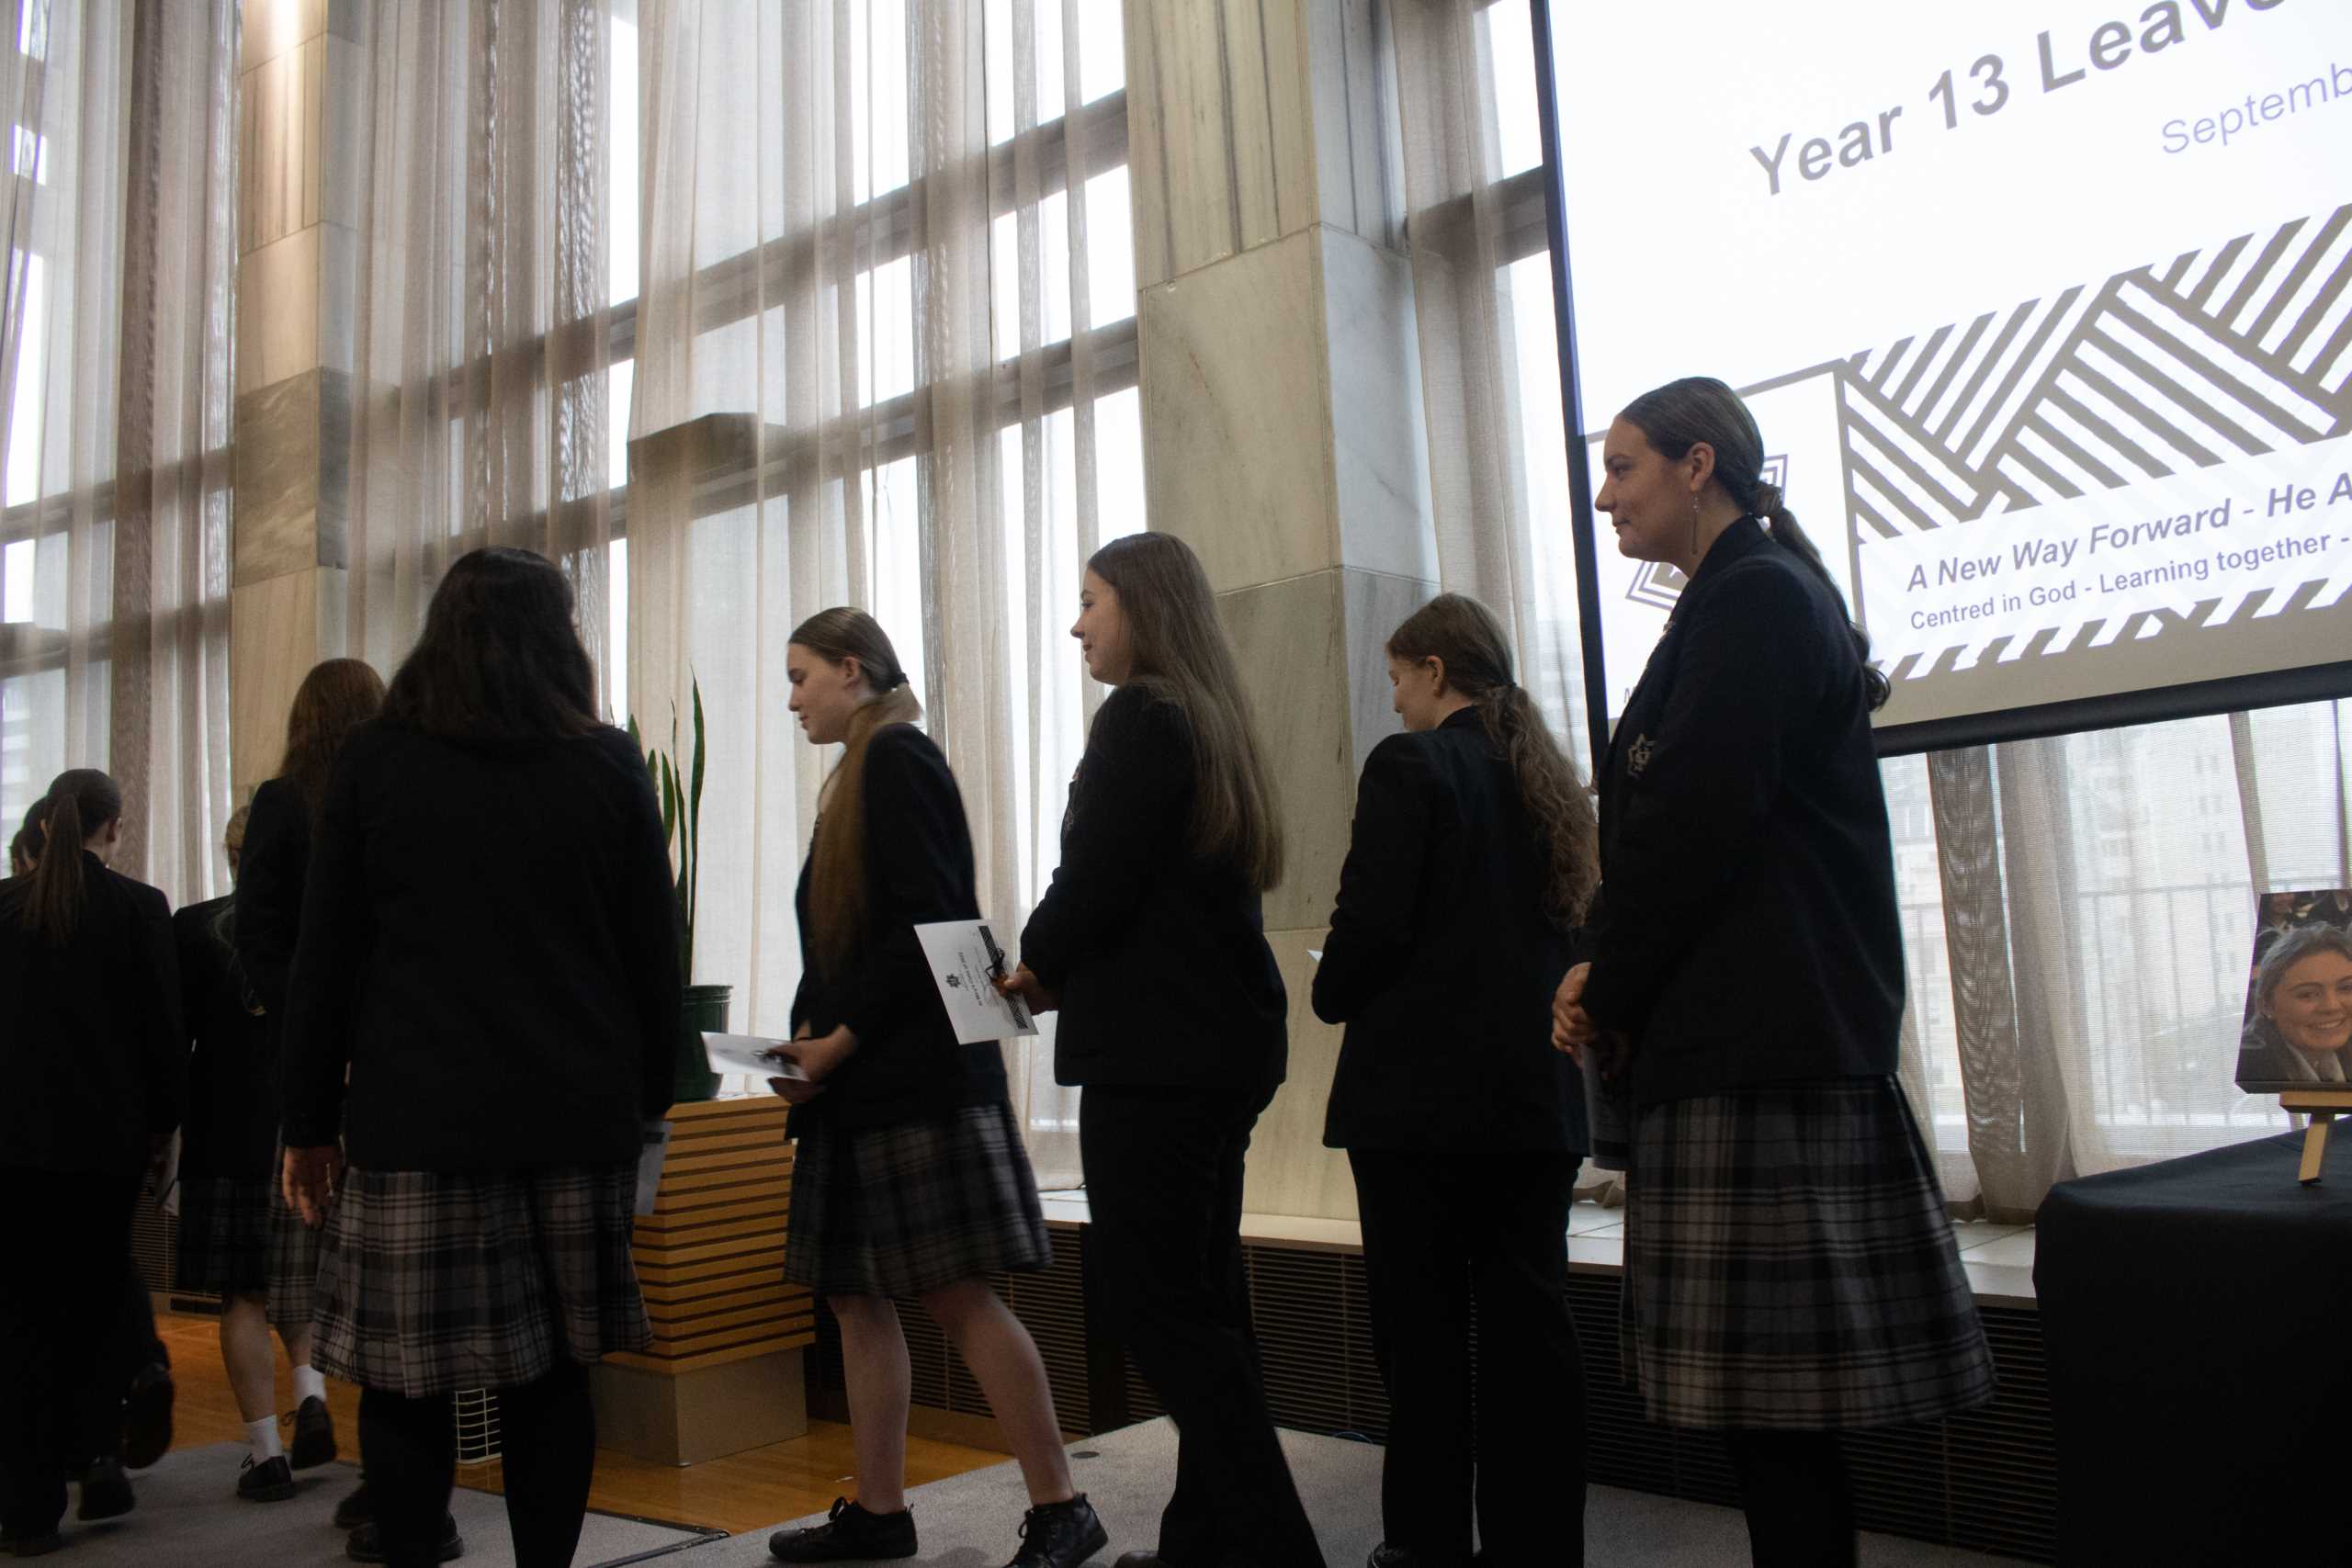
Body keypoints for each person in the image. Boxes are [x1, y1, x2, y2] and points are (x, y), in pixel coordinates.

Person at [1553, 378, 1996, 1568]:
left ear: (1699, 465)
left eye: (1624, 467)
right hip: (1757, 1041)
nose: (1604, 497)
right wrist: (1608, 964)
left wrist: (1604, 976)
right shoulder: (1744, 594)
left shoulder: (1752, 598)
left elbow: (1695, 822)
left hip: (1760, 1052)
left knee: (1776, 1422)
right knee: (1771, 1423)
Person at [279, 547, 680, 1568]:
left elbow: (325, 961)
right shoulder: (606, 763)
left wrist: (308, 1124)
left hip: (418, 1119)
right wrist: (649, 1103)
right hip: (573, 1116)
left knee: (405, 1381)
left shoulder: (375, 761)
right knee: (552, 1378)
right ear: (560, 637)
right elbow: (653, 955)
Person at [998, 533, 1324, 1568]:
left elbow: (1096, 877)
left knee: (1160, 1308)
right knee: (1206, 1303)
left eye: (1090, 600)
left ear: (1142, 605)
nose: (1077, 623)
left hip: (1157, 1058)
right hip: (1216, 1049)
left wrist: (1035, 962)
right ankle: (1208, 1544)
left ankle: (1275, 1552)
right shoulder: (1209, 717)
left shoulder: (1140, 716)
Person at [761, 608, 1105, 1568]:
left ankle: (1063, 1506)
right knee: (853, 1298)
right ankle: (880, 1512)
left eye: (799, 676)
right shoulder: (864, 768)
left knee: (957, 1294)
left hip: (911, 1082)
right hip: (867, 1082)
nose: (791, 699)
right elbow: (855, 942)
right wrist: (808, 1043)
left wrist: (836, 1042)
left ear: (851, 668)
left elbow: (930, 922)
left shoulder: (897, 760)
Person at [1315, 592, 1600, 1568]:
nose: (1395, 701)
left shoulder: (1411, 765)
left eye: (1398, 679)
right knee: (1531, 1339)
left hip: (1417, 1112)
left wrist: (1329, 986)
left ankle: (1427, 1546)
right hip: (1535, 1102)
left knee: (1423, 1342)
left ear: (1435, 671)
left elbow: (1370, 926)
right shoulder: (1547, 782)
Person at [0, 770, 185, 1555]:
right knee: (99, 1287)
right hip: (109, 1144)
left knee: (22, 1317)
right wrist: (163, 1127)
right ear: (113, 828)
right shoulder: (140, 908)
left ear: (44, 824)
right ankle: (104, 1440)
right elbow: (165, 1035)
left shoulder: (3, 910)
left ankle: (28, 1507)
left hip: (14, 1146)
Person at [236, 657, 384, 1516]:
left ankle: (322, 1403)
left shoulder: (281, 802)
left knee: (309, 1263)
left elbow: (258, 936)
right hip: (398, 1061)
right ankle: (387, 1467)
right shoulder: (393, 794)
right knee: (387, 1277)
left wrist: (315, 1033)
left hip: (314, 1069)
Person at [179, 802, 328, 1502]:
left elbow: (175, 1034)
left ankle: (267, 1454)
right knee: (300, 1278)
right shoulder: (313, 929)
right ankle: (312, 1391)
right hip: (299, 1124)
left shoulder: (193, 927)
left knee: (242, 1293)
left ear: (232, 856)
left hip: (223, 1129)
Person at [2234, 925, 2352, 1088]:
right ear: (2266, 1005)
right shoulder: (2250, 1066)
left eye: (2346, 988)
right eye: (2307, 994)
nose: (2331, 1006)